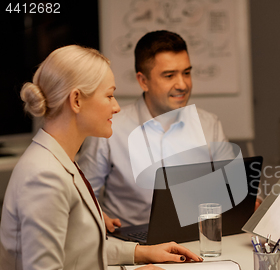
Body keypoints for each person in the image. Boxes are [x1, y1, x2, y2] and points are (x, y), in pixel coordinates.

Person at [0, 45, 202, 270]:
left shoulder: (58, 159)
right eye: (109, 95)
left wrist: (142, 252)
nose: (116, 106)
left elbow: (76, 249)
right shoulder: (44, 175)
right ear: (77, 101)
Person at [77, 30, 235, 232]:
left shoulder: (209, 124)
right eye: (169, 76)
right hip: (131, 242)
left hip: (197, 239)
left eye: (186, 73)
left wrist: (251, 201)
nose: (182, 84)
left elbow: (233, 188)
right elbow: (81, 195)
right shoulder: (110, 128)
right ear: (143, 81)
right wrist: (98, 218)